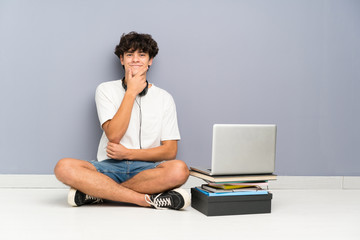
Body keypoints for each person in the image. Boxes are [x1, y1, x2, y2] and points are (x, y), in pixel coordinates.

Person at [54, 31, 190, 210]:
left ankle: (95, 194)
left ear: (150, 61)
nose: (135, 59)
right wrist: (131, 92)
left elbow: (170, 151)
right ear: (122, 59)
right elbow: (114, 135)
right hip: (108, 169)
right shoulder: (105, 90)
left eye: (142, 55)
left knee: (180, 170)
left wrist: (129, 154)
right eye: (129, 54)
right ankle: (145, 200)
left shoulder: (164, 98)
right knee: (63, 167)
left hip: (148, 171)